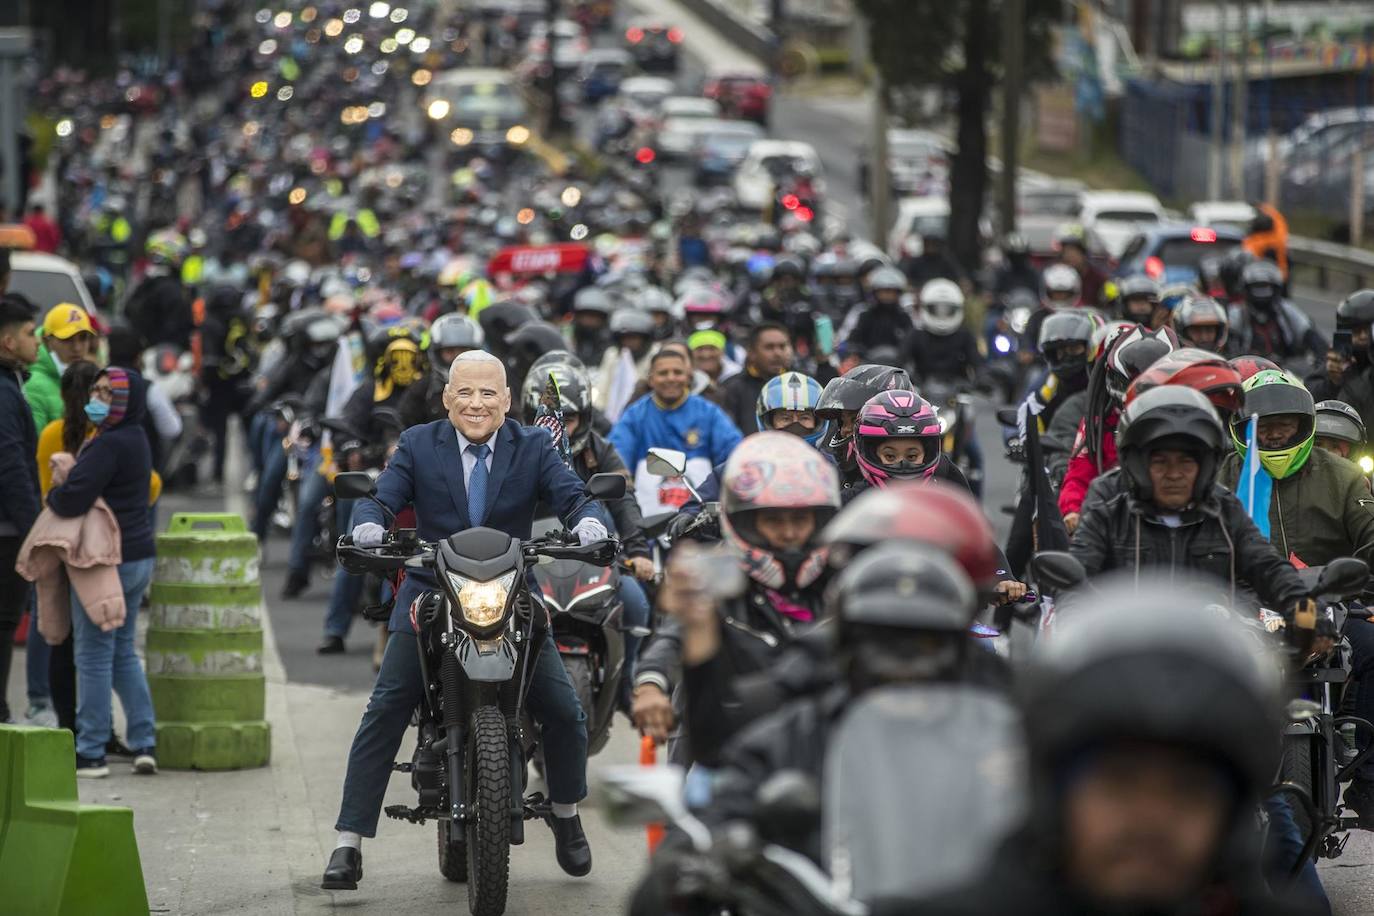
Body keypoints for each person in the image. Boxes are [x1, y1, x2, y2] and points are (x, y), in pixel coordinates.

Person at [322, 351, 610, 890]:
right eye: (465, 393)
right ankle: (348, 843)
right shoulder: (417, 444)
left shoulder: (536, 445)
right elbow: (380, 500)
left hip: (511, 591)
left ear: (506, 400)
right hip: (431, 588)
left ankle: (567, 815)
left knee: (565, 712)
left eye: (488, 393)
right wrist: (366, 526)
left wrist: (592, 524)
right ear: (447, 398)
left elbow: (575, 499)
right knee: (386, 706)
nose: (476, 403)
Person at [898, 582, 1308, 916]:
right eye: (1119, 782)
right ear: (1056, 786)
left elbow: (1264, 568)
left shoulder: (1225, 513)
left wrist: (1301, 605)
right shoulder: (1107, 508)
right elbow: (1077, 576)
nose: (1151, 817)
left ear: (1230, 808)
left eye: (1188, 791)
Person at [631, 432, 839, 766]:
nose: (788, 533)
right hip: (730, 731)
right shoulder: (719, 573)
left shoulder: (841, 582)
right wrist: (651, 683)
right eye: (773, 520)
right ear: (743, 520)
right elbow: (675, 633)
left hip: (823, 742)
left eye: (800, 520)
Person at [1069, 385, 1310, 619]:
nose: (1174, 474)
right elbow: (1072, 584)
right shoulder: (1108, 517)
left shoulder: (1225, 513)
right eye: (1161, 462)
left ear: (1204, 467)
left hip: (1216, 650)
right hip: (1125, 650)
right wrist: (1072, 620)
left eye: (1186, 462)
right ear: (1140, 466)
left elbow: (1271, 569)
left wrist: (1310, 617)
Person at [46, 367, 159, 777]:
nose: (97, 398)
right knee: (123, 651)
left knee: (93, 653)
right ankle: (145, 742)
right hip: (137, 557)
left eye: (108, 393)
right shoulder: (136, 437)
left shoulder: (108, 444)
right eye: (95, 390)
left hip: (104, 561)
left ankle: (91, 750)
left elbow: (74, 498)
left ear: (125, 402)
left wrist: (54, 492)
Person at [1059, 327, 1178, 530]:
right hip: (1111, 527)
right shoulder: (1097, 424)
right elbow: (1078, 475)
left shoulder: (1190, 418)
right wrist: (1072, 511)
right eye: (1133, 386)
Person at [610, 347, 742, 515]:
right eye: (663, 373)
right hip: (646, 517)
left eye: (677, 372)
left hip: (702, 515)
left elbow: (733, 454)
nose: (671, 378)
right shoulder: (635, 415)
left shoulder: (709, 412)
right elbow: (617, 458)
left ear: (689, 377)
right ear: (651, 379)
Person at [0, 293, 40, 725]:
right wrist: (35, 529)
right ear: (8, 342)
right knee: (4, 622)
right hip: (7, 531)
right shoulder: (6, 393)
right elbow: (11, 466)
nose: (38, 342)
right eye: (31, 334)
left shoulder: (13, 383)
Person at [849, 389, 973, 499]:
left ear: (927, 454)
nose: (902, 464)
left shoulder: (949, 486)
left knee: (974, 455)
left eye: (912, 456)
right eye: (890, 456)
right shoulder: (851, 503)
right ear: (871, 454)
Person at [1227, 260, 1324, 364]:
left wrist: (1323, 356)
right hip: (1246, 370)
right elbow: (1227, 342)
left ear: (1276, 288)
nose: (1262, 294)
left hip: (1287, 371)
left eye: (1266, 287)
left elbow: (1308, 332)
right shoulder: (1237, 312)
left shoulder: (1286, 309)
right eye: (1257, 287)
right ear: (1246, 289)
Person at [397, 312, 484, 428]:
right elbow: (403, 424)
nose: (457, 358)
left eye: (463, 350)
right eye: (449, 351)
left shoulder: (493, 385)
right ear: (437, 353)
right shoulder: (423, 388)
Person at [24, 303, 98, 434]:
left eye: (83, 338)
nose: (77, 348)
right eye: (67, 339)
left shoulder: (92, 378)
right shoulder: (33, 385)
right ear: (47, 341)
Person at [718, 321, 794, 434]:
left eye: (782, 347)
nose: (777, 353)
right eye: (769, 347)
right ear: (751, 352)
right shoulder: (731, 388)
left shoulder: (801, 384)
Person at [842, 267, 914, 356]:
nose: (887, 296)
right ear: (874, 292)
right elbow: (853, 341)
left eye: (891, 292)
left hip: (899, 365)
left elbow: (912, 343)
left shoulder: (904, 317)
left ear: (898, 293)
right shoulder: (865, 315)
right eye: (883, 291)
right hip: (868, 364)